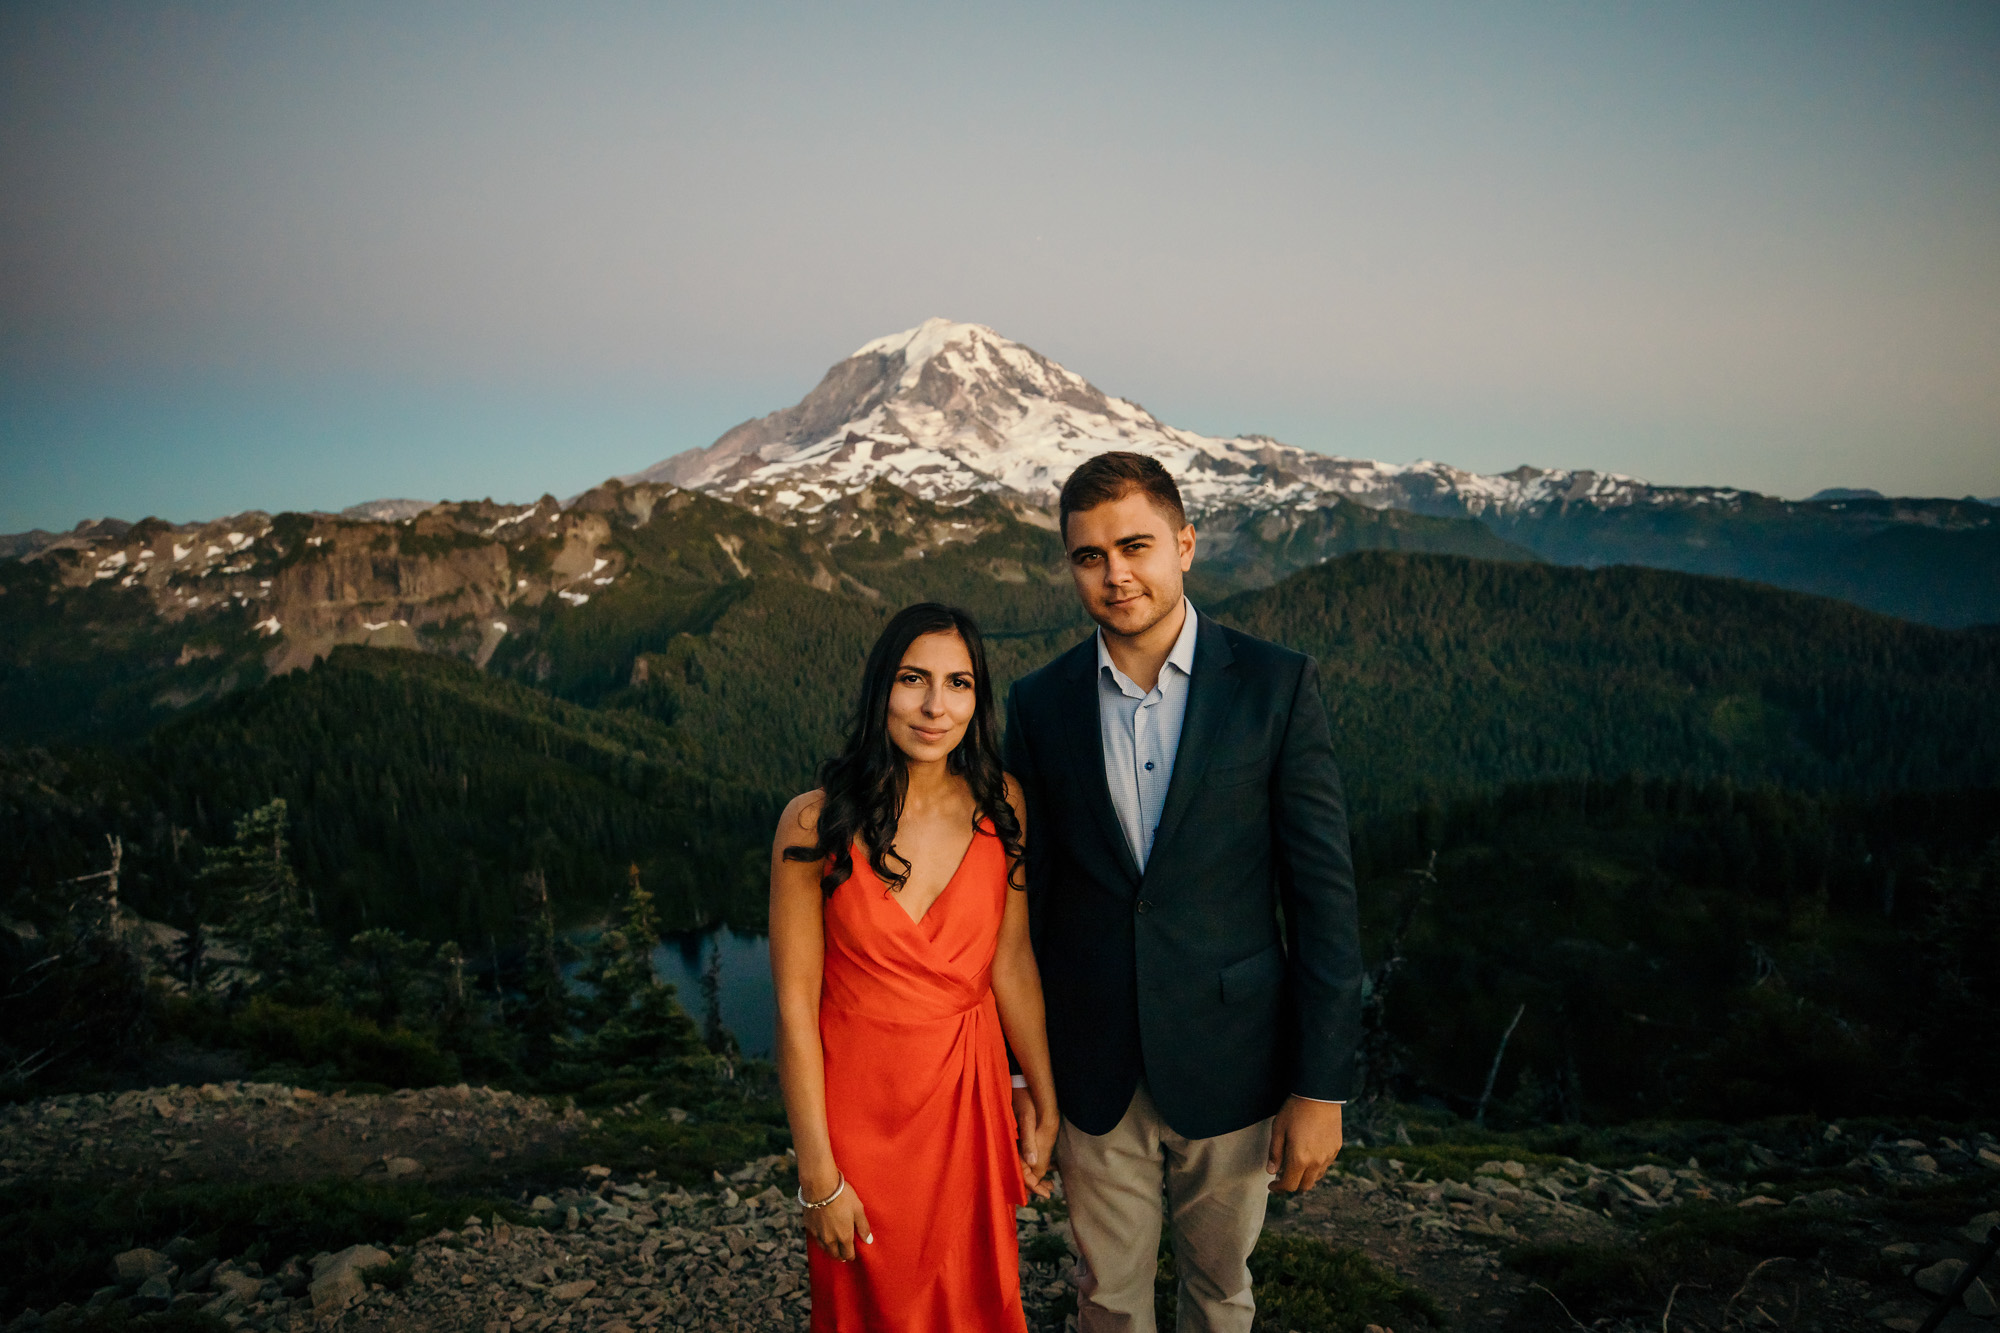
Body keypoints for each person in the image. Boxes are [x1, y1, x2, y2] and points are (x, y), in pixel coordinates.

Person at [1003, 452, 1364, 1333]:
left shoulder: (1276, 686)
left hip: (1235, 1057)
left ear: (1186, 544)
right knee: (1107, 1300)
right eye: (1090, 555)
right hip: (1093, 1068)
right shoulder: (1039, 703)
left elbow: (1321, 895)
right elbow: (1025, 903)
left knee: (1221, 1292)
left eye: (1135, 546)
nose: (1115, 573)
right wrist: (1022, 1071)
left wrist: (1321, 1086)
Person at [770, 602, 1061, 1332]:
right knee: (870, 1308)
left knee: (974, 1303)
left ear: (978, 697)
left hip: (969, 1106)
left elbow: (1013, 962)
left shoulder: (1003, 804)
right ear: (880, 691)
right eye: (913, 679)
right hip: (860, 1119)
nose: (936, 706)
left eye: (958, 683)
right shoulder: (813, 822)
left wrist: (1039, 1088)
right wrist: (817, 1173)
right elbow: (794, 1008)